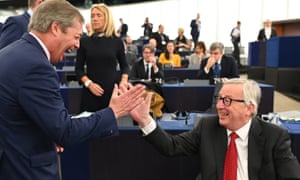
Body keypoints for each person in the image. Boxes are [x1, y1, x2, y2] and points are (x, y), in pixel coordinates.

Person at [0, 0, 146, 179]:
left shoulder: (11, 53)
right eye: (76, 37)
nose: (77, 45)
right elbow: (65, 132)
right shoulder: (37, 66)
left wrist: (48, 132)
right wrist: (113, 112)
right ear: (55, 28)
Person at [130, 78, 300, 180]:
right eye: (219, 99)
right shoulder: (207, 127)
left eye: (227, 101)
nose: (218, 106)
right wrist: (145, 120)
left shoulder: (274, 136)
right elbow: (171, 146)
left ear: (249, 108)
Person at [75, 3, 130, 113]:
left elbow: (125, 66)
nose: (94, 19)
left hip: (111, 94)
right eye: (92, 16)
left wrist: (123, 81)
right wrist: (89, 84)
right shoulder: (84, 41)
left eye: (99, 15)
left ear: (107, 18)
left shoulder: (117, 42)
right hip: (90, 93)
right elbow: (78, 70)